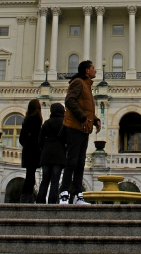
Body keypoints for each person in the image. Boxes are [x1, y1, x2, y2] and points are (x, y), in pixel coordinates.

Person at [59, 60, 100, 205]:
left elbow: (86, 107)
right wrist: (83, 118)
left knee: (80, 162)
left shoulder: (87, 85)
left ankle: (77, 194)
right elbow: (70, 101)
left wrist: (95, 120)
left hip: (83, 128)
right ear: (87, 70)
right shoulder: (78, 82)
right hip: (75, 127)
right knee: (72, 161)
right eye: (93, 68)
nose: (96, 70)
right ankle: (64, 193)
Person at [36, 102, 67, 204]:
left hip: (46, 155)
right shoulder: (64, 123)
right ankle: (52, 202)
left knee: (45, 180)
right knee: (55, 180)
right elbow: (67, 140)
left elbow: (39, 141)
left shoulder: (47, 123)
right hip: (59, 155)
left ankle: (40, 201)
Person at [18, 98, 43, 203]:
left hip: (27, 151)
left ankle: (28, 198)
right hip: (34, 151)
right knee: (30, 177)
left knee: (30, 176)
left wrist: (26, 144)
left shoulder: (26, 120)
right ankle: (26, 199)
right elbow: (39, 137)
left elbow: (21, 139)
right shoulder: (37, 119)